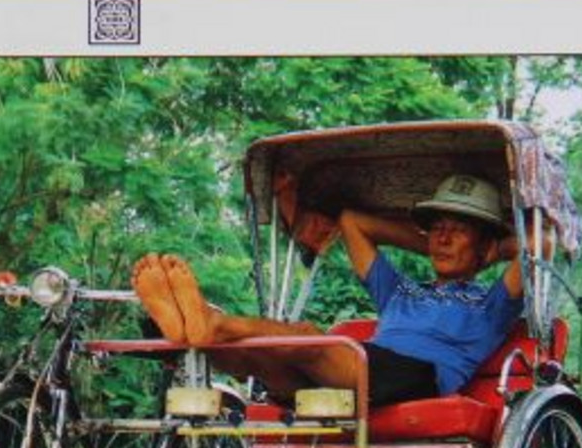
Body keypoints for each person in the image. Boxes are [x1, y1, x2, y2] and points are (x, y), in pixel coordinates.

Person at [132, 174, 523, 406]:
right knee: (265, 360)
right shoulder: (401, 291)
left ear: (484, 242)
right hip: (365, 369)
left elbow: (541, 248)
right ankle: (195, 336)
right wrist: (433, 244)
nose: (443, 237)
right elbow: (352, 222)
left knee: (307, 337)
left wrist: (492, 253)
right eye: (437, 228)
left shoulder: (491, 304)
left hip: (418, 378)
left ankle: (208, 324)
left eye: (459, 229)